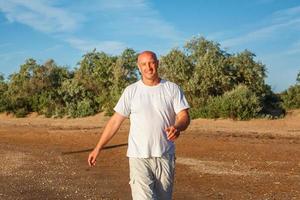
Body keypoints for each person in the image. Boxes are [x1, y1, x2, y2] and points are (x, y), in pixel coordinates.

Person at [88, 50, 190, 200]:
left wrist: (177, 127)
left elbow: (184, 116)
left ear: (157, 63)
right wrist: (98, 148)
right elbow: (115, 121)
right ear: (138, 67)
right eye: (144, 64)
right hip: (138, 157)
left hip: (164, 156)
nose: (148, 67)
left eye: (151, 63)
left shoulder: (172, 88)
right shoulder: (131, 91)